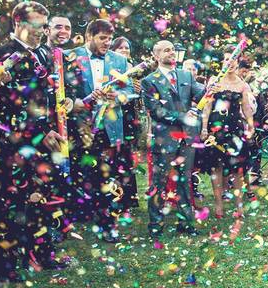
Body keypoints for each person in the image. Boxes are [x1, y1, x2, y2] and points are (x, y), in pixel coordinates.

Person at [0, 1, 68, 287]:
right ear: (18, 23)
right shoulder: (3, 55)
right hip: (13, 144)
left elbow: (44, 98)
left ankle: (41, 254)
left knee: (42, 198)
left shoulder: (42, 54)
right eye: (35, 26)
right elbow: (7, 107)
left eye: (43, 27)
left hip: (43, 140)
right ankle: (3, 265)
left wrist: (59, 114)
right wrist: (38, 133)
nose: (40, 32)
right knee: (9, 203)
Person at [67, 19, 132, 242]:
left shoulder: (120, 61)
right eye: (102, 38)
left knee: (108, 175)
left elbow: (131, 91)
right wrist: (76, 102)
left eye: (110, 39)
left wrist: (120, 96)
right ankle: (78, 217)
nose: (107, 42)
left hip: (109, 127)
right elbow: (61, 89)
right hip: (79, 126)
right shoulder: (71, 56)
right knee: (79, 173)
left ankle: (107, 224)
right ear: (89, 37)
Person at [141, 40, 205, 238]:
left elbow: (200, 93)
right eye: (166, 50)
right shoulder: (149, 81)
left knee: (184, 181)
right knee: (159, 183)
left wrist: (211, 89)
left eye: (173, 49)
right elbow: (156, 110)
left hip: (186, 138)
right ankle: (155, 223)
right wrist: (183, 117)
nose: (172, 52)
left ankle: (185, 223)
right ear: (156, 55)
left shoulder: (186, 75)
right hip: (164, 139)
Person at [198, 45, 256, 220]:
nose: (230, 63)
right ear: (223, 62)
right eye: (226, 60)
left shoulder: (242, 84)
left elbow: (246, 108)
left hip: (235, 129)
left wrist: (251, 125)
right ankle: (219, 205)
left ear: (237, 62)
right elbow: (206, 106)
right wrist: (204, 127)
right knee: (217, 166)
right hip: (216, 129)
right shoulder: (214, 81)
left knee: (238, 169)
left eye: (233, 60)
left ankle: (239, 206)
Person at [109, 37, 143, 212]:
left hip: (129, 116)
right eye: (120, 47)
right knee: (113, 158)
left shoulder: (134, 68)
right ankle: (114, 197)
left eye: (127, 47)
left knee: (127, 157)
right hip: (113, 114)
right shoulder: (111, 67)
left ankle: (129, 198)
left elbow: (137, 94)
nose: (124, 50)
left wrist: (138, 90)